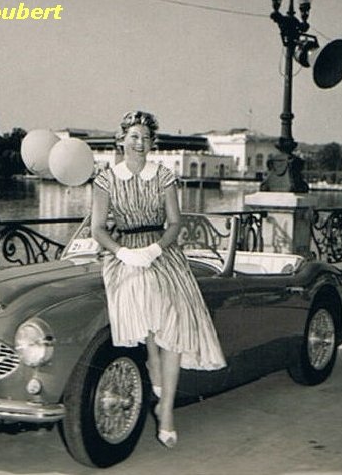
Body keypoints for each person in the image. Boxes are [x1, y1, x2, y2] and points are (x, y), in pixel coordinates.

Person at [91, 111, 226, 449]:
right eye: (134, 136)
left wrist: (155, 249)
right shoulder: (105, 180)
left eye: (145, 137)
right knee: (146, 296)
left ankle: (166, 410)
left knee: (175, 317)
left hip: (161, 250)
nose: (140, 143)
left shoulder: (164, 176)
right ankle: (152, 356)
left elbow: (175, 224)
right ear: (122, 140)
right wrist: (122, 252)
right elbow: (97, 229)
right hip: (124, 252)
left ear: (152, 143)